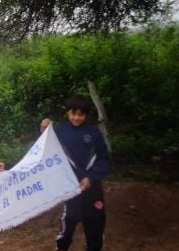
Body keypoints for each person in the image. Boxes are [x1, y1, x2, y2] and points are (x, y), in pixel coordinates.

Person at [41, 95, 111, 251]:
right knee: (70, 219)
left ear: (86, 115)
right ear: (68, 113)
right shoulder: (60, 131)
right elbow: (46, 149)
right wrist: (44, 130)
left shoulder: (94, 134)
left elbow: (104, 160)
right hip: (70, 187)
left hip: (92, 189)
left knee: (95, 223)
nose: (77, 118)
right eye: (73, 113)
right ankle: (61, 247)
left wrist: (90, 178)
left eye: (81, 114)